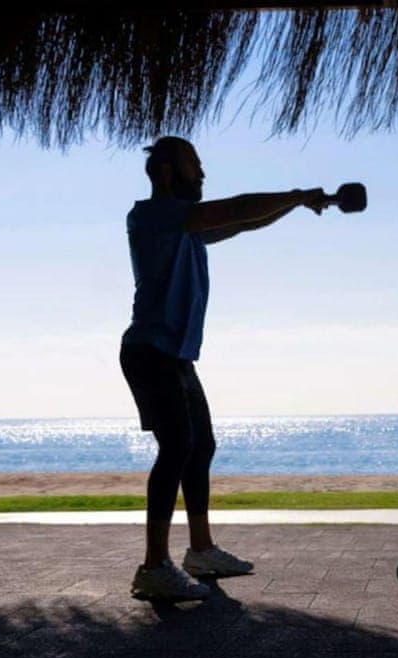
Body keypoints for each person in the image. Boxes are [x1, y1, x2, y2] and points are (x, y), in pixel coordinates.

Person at [121, 136, 333, 600]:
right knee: (176, 446)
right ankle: (153, 566)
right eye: (194, 164)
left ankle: (200, 551)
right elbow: (236, 208)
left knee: (201, 446)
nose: (202, 173)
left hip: (175, 356)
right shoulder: (154, 216)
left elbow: (243, 222)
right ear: (165, 172)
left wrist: (295, 206)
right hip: (150, 351)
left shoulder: (188, 228)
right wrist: (297, 194)